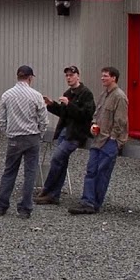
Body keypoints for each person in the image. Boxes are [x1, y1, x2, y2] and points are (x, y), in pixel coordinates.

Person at [69, 67, 129, 215]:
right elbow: (97, 114)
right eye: (102, 76)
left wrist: (114, 138)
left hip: (109, 141)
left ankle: (94, 203)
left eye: (106, 76)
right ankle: (87, 201)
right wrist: (93, 125)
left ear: (114, 78)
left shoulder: (119, 97)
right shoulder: (104, 95)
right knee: (91, 171)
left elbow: (121, 121)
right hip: (98, 139)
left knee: (102, 173)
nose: (102, 78)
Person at [0, 65, 48, 219]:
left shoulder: (7, 95)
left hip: (14, 138)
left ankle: (2, 205)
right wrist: (40, 134)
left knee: (9, 171)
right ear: (30, 78)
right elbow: (44, 120)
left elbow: (1, 119)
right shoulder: (36, 95)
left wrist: (8, 132)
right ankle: (25, 208)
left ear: (17, 76)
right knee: (30, 173)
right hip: (32, 137)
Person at [36, 66, 95, 206]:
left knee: (56, 158)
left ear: (78, 76)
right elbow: (64, 114)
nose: (69, 78)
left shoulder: (86, 93)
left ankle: (47, 189)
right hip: (64, 131)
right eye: (67, 75)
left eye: (71, 75)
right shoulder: (68, 92)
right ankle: (53, 195)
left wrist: (70, 104)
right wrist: (52, 105)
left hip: (76, 134)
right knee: (61, 162)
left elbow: (86, 115)